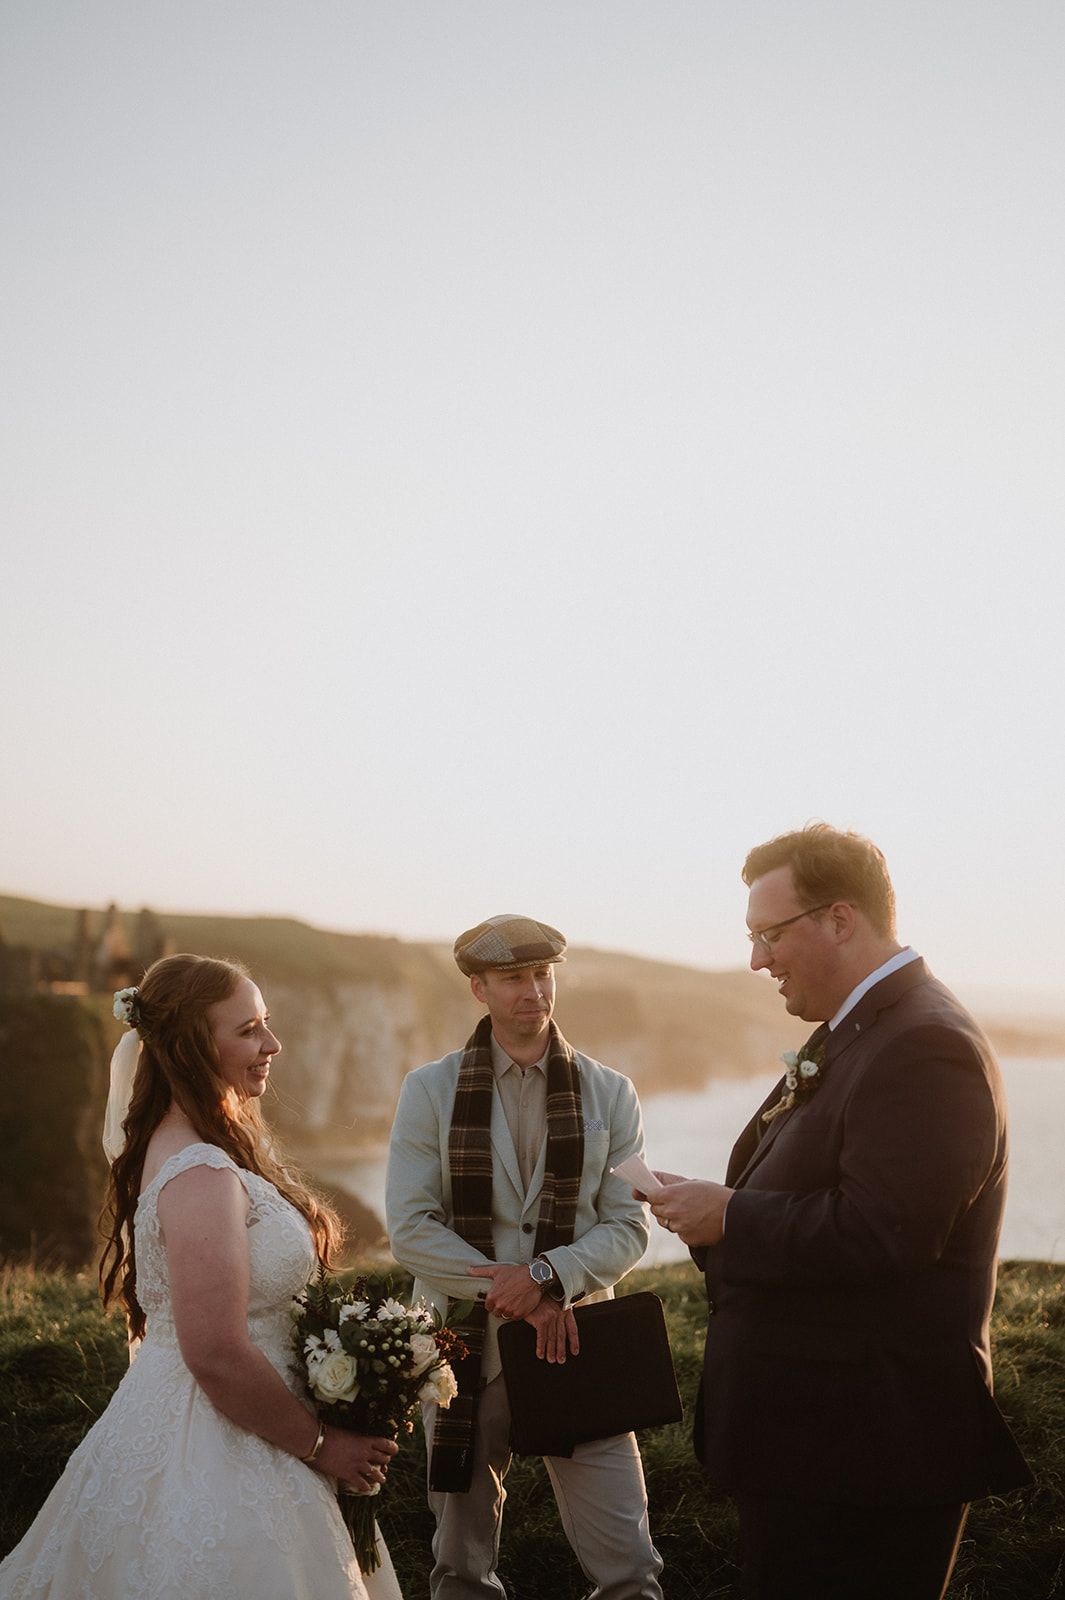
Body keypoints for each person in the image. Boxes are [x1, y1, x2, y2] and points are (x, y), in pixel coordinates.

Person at [646, 824, 1032, 1600]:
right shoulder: (863, 1031)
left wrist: (732, 1216)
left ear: (840, 919)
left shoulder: (925, 1044)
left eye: (768, 934)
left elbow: (885, 1232)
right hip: (821, 1447)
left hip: (867, 1457)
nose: (757, 959)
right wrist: (709, 1209)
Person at [0, 953, 403, 1600]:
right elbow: (213, 1350)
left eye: (265, 1023)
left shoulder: (200, 1149)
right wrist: (323, 1445)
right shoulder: (199, 1174)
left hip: (244, 1420)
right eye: (246, 1030)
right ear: (190, 1046)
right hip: (217, 1441)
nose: (271, 1044)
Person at [386, 914, 664, 1600]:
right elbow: (411, 1228)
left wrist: (546, 1279)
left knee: (629, 1561)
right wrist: (511, 1293)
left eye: (543, 974)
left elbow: (628, 1225)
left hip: (574, 1338)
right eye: (513, 977)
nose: (533, 991)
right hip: (459, 1346)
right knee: (459, 1564)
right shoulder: (428, 1090)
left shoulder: (610, 1092)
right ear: (478, 988)